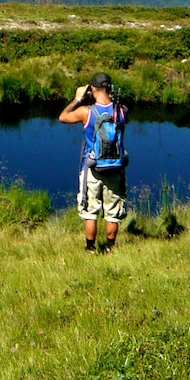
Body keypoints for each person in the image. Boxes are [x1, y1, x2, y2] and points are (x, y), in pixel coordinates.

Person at [59, 71, 128, 253]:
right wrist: (111, 97)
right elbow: (122, 113)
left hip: (92, 168)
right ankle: (109, 249)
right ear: (110, 88)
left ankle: (90, 249)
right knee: (112, 213)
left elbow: (63, 117)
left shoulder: (86, 112)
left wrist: (78, 98)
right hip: (115, 168)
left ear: (93, 88)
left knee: (91, 211)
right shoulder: (121, 111)